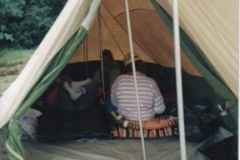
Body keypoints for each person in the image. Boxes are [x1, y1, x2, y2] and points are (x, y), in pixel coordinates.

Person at [108, 53, 166, 122]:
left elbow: (114, 102)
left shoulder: (119, 80)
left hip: (124, 121)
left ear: (126, 67)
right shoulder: (151, 82)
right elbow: (160, 109)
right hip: (146, 121)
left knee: (108, 103)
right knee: (161, 104)